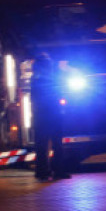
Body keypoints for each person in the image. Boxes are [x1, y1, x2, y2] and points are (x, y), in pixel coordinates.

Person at [30, 52, 70, 182]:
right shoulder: (47, 80)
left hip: (42, 116)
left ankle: (43, 171)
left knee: (43, 145)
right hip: (51, 115)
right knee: (55, 144)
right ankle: (55, 170)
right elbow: (56, 96)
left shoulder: (36, 80)